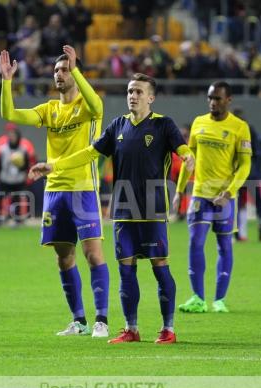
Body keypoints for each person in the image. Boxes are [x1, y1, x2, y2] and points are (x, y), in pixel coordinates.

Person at [29, 73, 195, 344]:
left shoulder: (164, 125)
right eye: (130, 91)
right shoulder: (118, 125)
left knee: (159, 266)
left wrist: (188, 159)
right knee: (125, 270)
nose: (133, 96)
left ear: (151, 98)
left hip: (152, 208)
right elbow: (89, 153)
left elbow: (184, 150)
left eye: (139, 92)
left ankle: (168, 329)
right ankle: (131, 328)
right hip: (122, 209)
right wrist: (54, 166)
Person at [0, 45, 110, 338]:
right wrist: (7, 81)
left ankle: (102, 320)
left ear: (75, 72)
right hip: (55, 192)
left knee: (93, 255)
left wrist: (75, 69)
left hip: (83, 188)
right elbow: (8, 112)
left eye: (64, 69)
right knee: (64, 257)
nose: (59, 74)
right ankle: (79, 321)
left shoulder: (88, 106)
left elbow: (98, 107)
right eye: (57, 71)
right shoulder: (49, 109)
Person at [174, 81, 252, 314]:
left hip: (225, 198)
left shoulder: (240, 127)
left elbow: (245, 166)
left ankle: (219, 299)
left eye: (217, 98)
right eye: (210, 98)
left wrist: (229, 193)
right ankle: (198, 298)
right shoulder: (199, 123)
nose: (212, 102)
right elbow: (189, 161)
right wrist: (179, 191)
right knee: (195, 242)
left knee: (224, 245)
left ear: (228, 100)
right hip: (200, 194)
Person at [232, 107, 261, 243]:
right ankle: (244, 235)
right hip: (243, 175)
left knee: (255, 204)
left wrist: (254, 170)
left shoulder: (249, 132)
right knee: (242, 205)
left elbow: (260, 154)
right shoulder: (243, 131)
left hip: (251, 175)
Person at [0, 122, 36, 227]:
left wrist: (22, 167)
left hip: (18, 179)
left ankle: (17, 220)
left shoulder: (24, 148)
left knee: (16, 199)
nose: (12, 137)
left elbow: (28, 164)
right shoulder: (2, 148)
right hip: (5, 179)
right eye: (10, 135)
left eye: (14, 135)